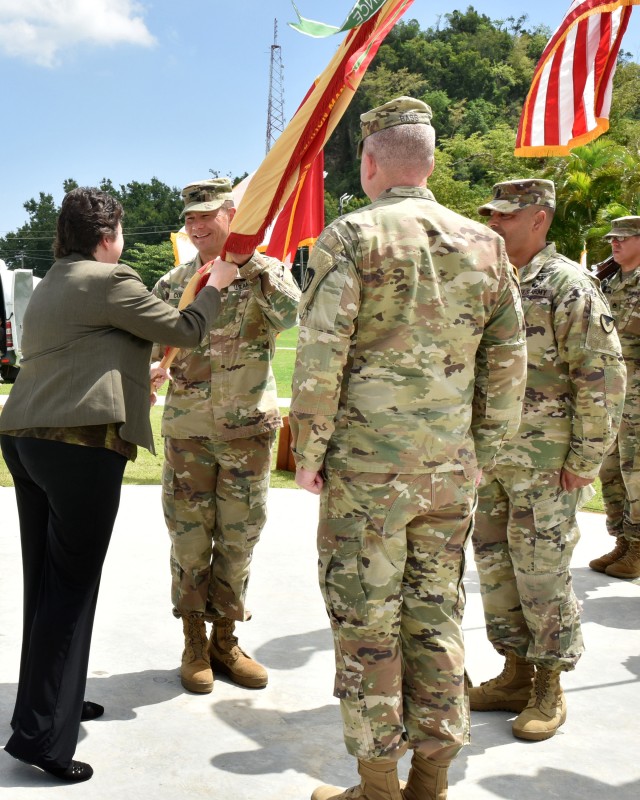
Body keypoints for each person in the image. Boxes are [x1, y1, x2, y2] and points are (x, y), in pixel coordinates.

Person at [290, 97, 528, 800]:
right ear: (429, 163)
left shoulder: (353, 237)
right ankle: (431, 780)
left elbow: (321, 354)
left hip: (367, 474)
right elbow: (509, 358)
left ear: (370, 163)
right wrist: (485, 448)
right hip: (448, 473)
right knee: (436, 618)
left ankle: (377, 786)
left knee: (368, 623)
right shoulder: (484, 245)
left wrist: (309, 449)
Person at [0, 187, 236, 783]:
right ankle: (41, 741)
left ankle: (55, 702)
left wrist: (138, 373)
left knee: (49, 585)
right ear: (109, 236)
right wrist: (217, 285)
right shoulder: (110, 280)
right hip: (79, 448)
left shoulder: (58, 279)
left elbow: (101, 346)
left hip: (27, 440)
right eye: (121, 232)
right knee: (71, 589)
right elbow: (184, 328)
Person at [469, 179, 626, 741]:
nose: (494, 224)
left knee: (542, 575)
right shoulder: (492, 279)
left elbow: (602, 378)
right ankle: (513, 672)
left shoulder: (569, 285)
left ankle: (548, 686)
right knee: (495, 568)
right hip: (491, 459)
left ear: (539, 219)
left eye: (506, 216)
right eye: (490, 214)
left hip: (546, 460)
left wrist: (585, 458)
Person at [150, 178, 300, 694]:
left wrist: (248, 267)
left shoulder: (266, 274)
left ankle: (226, 639)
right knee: (189, 538)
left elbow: (292, 314)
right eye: (190, 219)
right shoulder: (174, 285)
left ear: (232, 216)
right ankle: (193, 638)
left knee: (239, 537)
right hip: (189, 434)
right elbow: (151, 347)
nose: (196, 227)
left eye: (207, 216)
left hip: (246, 434)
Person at [590, 216, 640, 579]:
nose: (615, 243)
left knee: (636, 469)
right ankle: (622, 539)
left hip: (637, 393)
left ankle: (638, 547)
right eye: (612, 238)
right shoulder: (608, 281)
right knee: (610, 469)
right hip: (611, 391)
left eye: (623, 238)